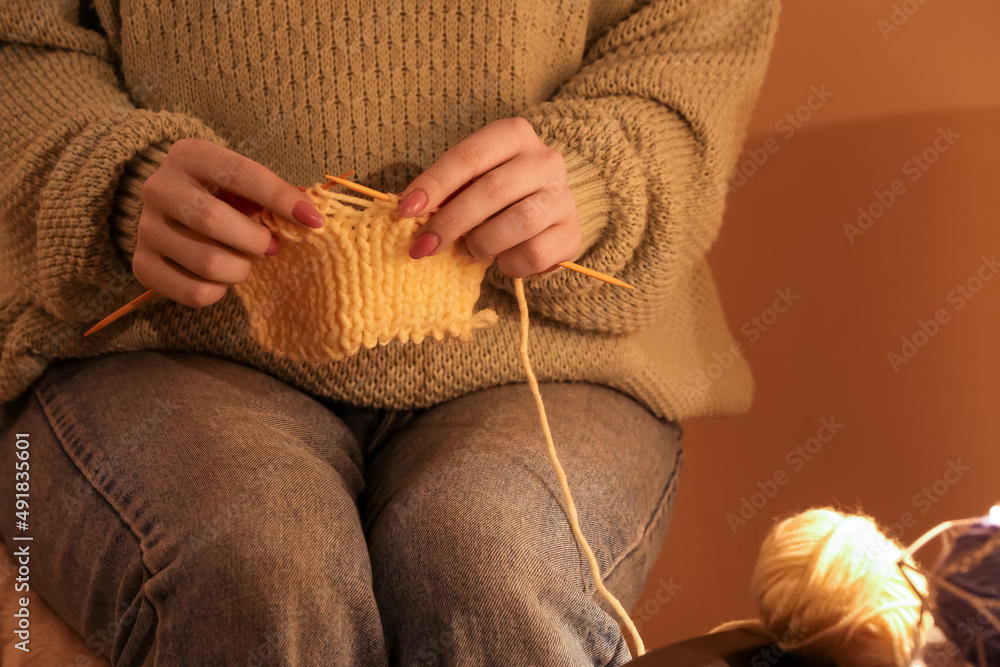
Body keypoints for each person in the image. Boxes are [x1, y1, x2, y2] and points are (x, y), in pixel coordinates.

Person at [0, 0, 779, 664]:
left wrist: (596, 177)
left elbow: (694, 42)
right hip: (144, 336)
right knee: (258, 564)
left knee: (491, 567)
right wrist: (104, 177)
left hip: (547, 345)